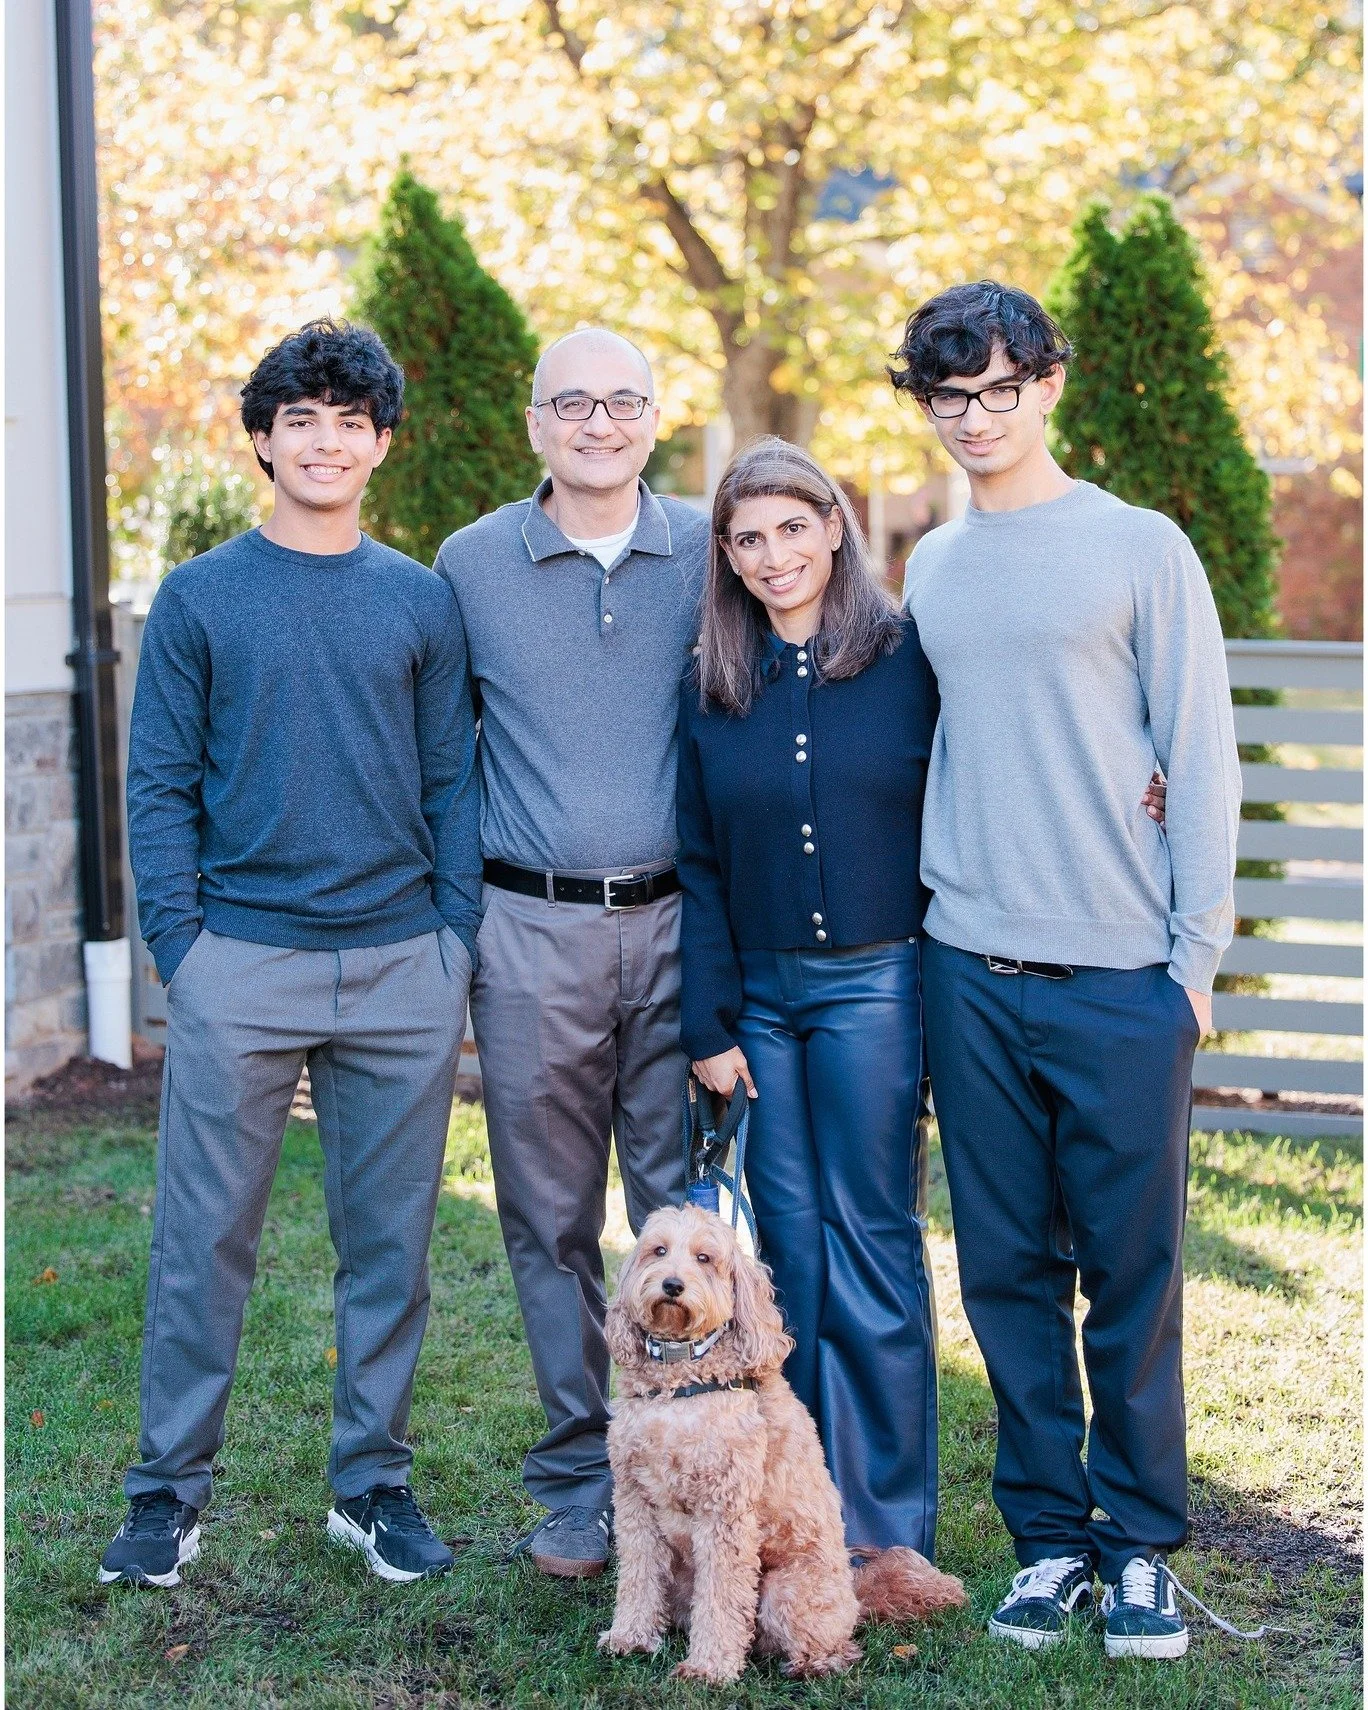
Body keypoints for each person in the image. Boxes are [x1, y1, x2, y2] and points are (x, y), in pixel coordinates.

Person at [891, 282, 1240, 1659]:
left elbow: (1199, 753)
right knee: (1006, 1271)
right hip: (969, 965)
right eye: (949, 396)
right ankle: (1048, 1540)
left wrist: (1193, 962)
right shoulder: (931, 565)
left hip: (1120, 976)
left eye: (998, 389)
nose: (975, 418)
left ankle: (1139, 1542)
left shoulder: (1141, 547)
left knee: (1133, 1274)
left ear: (1047, 384)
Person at [103, 320, 480, 1588]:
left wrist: (453, 943)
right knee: (202, 1241)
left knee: (391, 1248)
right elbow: (158, 785)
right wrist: (184, 951)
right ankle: (166, 1494)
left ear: (382, 444)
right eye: (301, 420)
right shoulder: (201, 597)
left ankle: (372, 1485)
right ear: (263, 440)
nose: (326, 442)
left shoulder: (420, 598)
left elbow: (452, 781)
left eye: (349, 422)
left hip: (400, 966)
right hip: (241, 966)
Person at [433, 330, 710, 1578]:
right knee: (548, 1219)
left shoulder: (709, 548)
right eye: (574, 402)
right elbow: (437, 752)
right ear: (536, 422)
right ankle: (577, 1482)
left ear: (654, 418)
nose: (601, 422)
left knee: (677, 1219)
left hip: (679, 924)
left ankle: (686, 1474)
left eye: (624, 401)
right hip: (529, 927)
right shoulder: (471, 564)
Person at [676, 437, 943, 1559]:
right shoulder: (713, 684)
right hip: (759, 1004)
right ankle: (798, 1507)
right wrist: (707, 1022)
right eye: (749, 538)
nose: (774, 555)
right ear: (728, 558)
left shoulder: (908, 661)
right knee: (788, 1248)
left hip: (878, 984)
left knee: (872, 1236)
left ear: (835, 527)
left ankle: (884, 1527)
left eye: (794, 527)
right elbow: (697, 861)